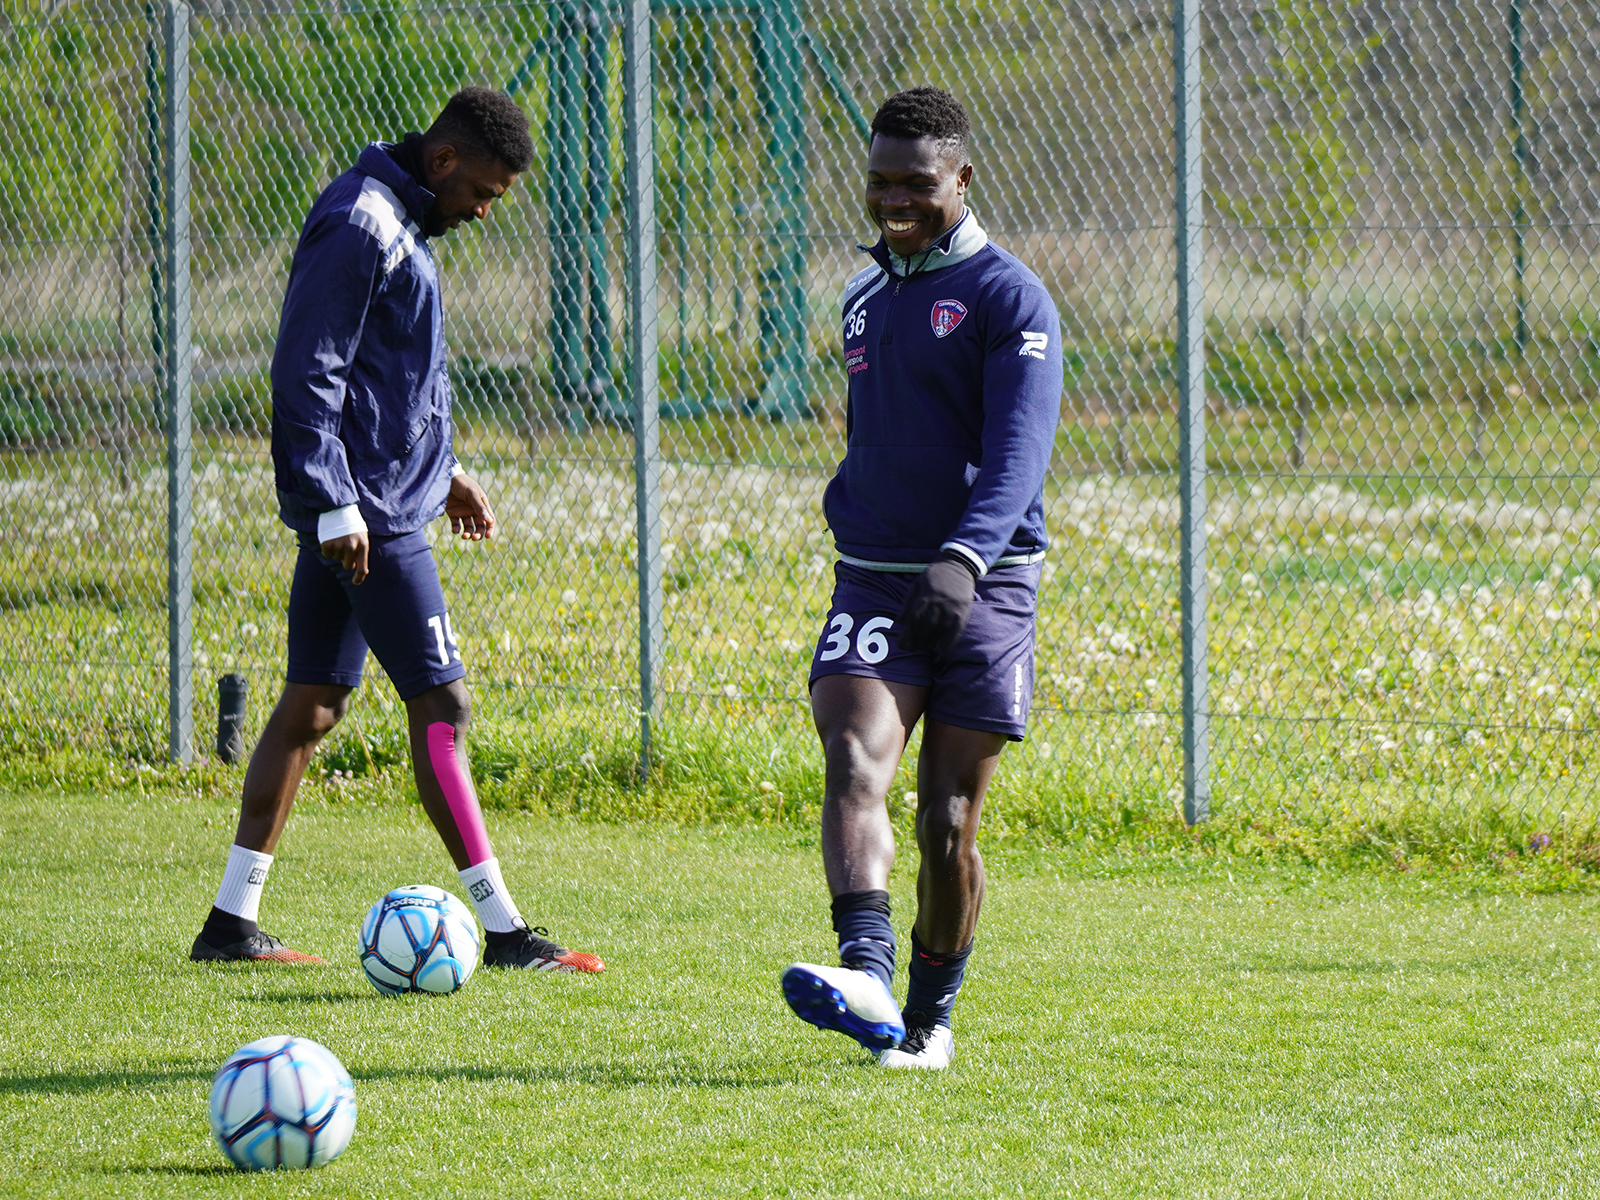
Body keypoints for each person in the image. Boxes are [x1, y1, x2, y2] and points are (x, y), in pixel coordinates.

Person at [190, 88, 603, 975]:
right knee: (442, 703)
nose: (486, 212)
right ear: (444, 161)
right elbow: (310, 371)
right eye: (484, 192)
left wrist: (445, 470)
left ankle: (230, 923)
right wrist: (334, 500)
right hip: (367, 516)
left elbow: (393, 371)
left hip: (377, 499)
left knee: (312, 706)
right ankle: (503, 934)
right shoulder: (362, 221)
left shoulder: (405, 218)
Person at [780, 87, 1062, 1068]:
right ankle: (863, 968)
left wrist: (965, 558)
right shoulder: (862, 295)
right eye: (879, 182)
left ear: (963, 179)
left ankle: (928, 1019)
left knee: (947, 819)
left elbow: (1020, 452)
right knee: (854, 756)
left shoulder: (1010, 299)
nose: (895, 200)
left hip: (982, 584)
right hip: (874, 580)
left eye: (917, 183)